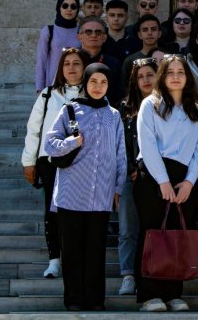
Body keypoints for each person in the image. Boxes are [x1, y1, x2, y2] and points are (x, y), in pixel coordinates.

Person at [45, 63, 126, 311]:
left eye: (103, 82)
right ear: (85, 83)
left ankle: (95, 299)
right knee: (72, 250)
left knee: (95, 250)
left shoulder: (114, 115)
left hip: (101, 194)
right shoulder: (70, 109)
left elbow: (120, 153)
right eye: (93, 81)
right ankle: (74, 299)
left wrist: (118, 188)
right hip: (71, 193)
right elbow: (50, 144)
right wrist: (72, 142)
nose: (98, 87)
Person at [134, 54, 198, 312]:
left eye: (181, 72)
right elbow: (147, 144)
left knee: (178, 234)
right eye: (170, 72)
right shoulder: (150, 105)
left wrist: (189, 182)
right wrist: (163, 181)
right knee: (152, 233)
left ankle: (174, 293)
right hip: (153, 176)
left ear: (188, 77)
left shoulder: (196, 111)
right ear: (162, 76)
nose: (175, 76)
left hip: (185, 179)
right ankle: (149, 294)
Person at [22, 47, 91, 279]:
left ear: (85, 67)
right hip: (50, 160)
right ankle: (54, 260)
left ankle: (76, 258)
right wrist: (28, 162)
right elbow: (34, 129)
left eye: (76, 63)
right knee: (52, 211)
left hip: (82, 161)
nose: (71, 68)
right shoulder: (48, 95)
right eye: (67, 64)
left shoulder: (93, 93)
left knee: (79, 211)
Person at [116, 57, 158, 296]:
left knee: (154, 227)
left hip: (158, 176)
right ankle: (128, 275)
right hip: (129, 175)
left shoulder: (165, 105)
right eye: (140, 76)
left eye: (150, 75)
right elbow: (119, 143)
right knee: (128, 228)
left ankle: (153, 272)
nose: (145, 80)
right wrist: (133, 168)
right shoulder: (124, 108)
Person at [35, 0, 82, 93]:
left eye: (73, 6)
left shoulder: (81, 31)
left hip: (76, 84)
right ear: (59, 8)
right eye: (65, 6)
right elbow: (41, 60)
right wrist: (39, 88)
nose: (69, 9)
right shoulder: (49, 31)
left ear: (77, 10)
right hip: (53, 85)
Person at [77, 16, 123, 106]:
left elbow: (119, 95)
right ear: (79, 37)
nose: (93, 35)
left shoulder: (114, 63)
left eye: (98, 32)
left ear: (104, 37)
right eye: (88, 32)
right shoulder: (71, 61)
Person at [120, 14, 162, 91]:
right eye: (145, 30)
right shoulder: (130, 61)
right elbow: (125, 88)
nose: (149, 33)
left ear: (159, 33)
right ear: (139, 35)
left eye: (153, 29)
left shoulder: (168, 58)